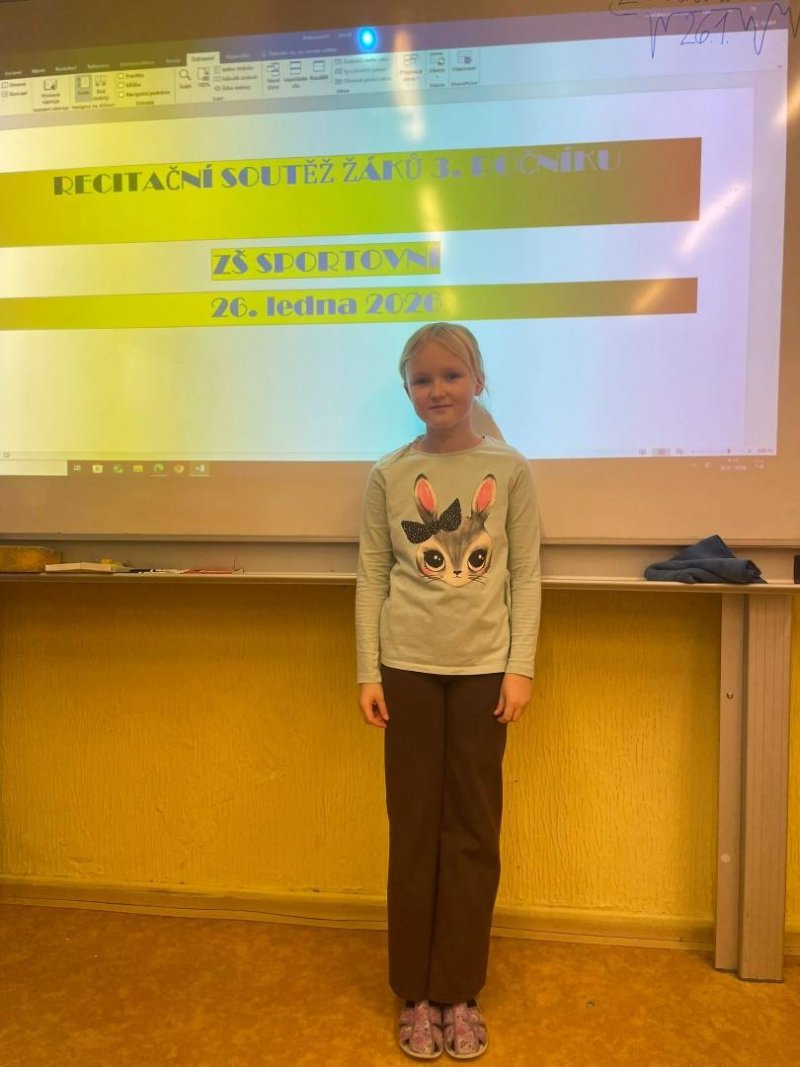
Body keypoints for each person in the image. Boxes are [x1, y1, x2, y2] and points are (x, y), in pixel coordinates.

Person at [356, 322, 541, 1060]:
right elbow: (373, 574)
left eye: (452, 376)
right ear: (407, 390)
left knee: (471, 829)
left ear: (478, 381)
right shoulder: (389, 473)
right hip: (405, 668)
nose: (438, 390)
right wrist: (368, 670)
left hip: (483, 674)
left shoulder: (510, 469)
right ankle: (414, 994)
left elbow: (526, 573)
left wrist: (519, 666)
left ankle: (459, 992)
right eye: (423, 379)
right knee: (412, 830)